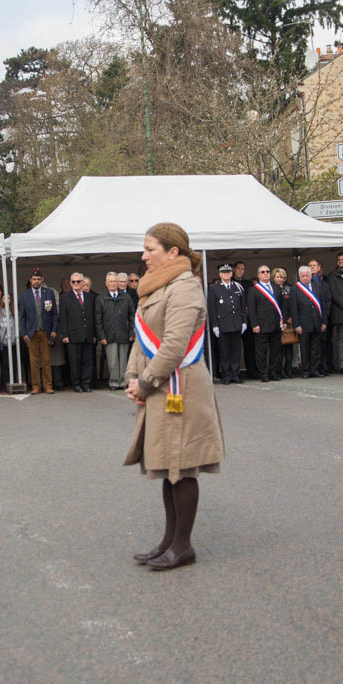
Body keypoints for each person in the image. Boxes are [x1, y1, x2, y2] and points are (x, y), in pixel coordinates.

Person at [123, 222, 223, 572]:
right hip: (159, 385)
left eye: (150, 249)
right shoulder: (154, 288)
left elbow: (175, 346)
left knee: (182, 467)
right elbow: (141, 339)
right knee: (167, 466)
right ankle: (169, 541)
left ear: (173, 252)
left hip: (180, 387)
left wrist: (146, 382)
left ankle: (183, 546)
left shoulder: (184, 287)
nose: (143, 255)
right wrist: (133, 376)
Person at [18, 268, 57, 394]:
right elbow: (21, 316)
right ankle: (36, 386)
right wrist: (23, 333)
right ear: (30, 280)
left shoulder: (49, 293)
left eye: (38, 279)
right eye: (34, 279)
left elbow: (54, 314)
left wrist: (54, 329)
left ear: (42, 280)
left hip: (45, 331)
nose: (36, 281)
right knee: (33, 361)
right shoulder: (24, 295)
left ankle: (48, 385)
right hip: (31, 332)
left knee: (46, 360)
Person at [207, 263, 246, 384]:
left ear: (231, 273)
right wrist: (214, 325)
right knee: (224, 352)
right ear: (220, 274)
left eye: (228, 272)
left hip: (236, 324)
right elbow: (212, 309)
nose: (226, 274)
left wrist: (244, 322)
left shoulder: (237, 287)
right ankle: (226, 375)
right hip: (223, 325)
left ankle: (235, 374)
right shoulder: (214, 289)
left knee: (236, 351)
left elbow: (242, 306)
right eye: (224, 272)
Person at [97, 271, 135, 390]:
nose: (113, 283)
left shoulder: (126, 297)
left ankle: (123, 382)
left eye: (115, 281)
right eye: (111, 281)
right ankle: (113, 382)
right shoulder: (101, 298)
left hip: (124, 333)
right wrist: (101, 336)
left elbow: (132, 316)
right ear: (106, 283)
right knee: (112, 362)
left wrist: (131, 333)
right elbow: (98, 319)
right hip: (109, 335)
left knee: (123, 360)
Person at [60, 271, 96, 393]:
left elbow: (93, 317)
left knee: (87, 361)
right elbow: (63, 318)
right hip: (73, 335)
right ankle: (76, 384)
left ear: (82, 282)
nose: (76, 283)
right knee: (75, 362)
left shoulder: (90, 297)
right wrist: (64, 335)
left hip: (88, 335)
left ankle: (86, 383)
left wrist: (94, 334)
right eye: (73, 281)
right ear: (71, 283)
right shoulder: (65, 298)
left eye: (78, 281)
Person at [290, 265, 327, 379]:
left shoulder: (318, 286)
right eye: (303, 276)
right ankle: (305, 370)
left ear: (311, 276)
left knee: (316, 348)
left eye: (307, 275)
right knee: (304, 349)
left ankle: (314, 370)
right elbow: (294, 309)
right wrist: (296, 324)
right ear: (299, 276)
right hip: (303, 324)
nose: (305, 278)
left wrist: (324, 322)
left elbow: (323, 305)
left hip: (317, 322)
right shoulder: (295, 288)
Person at [272, 267, 296, 378]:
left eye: (282, 277)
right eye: (278, 277)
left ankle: (289, 369)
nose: (280, 279)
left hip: (288, 322)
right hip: (276, 321)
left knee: (289, 347)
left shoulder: (289, 289)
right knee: (278, 348)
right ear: (274, 278)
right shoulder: (271, 289)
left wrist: (290, 317)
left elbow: (293, 305)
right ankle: (279, 370)